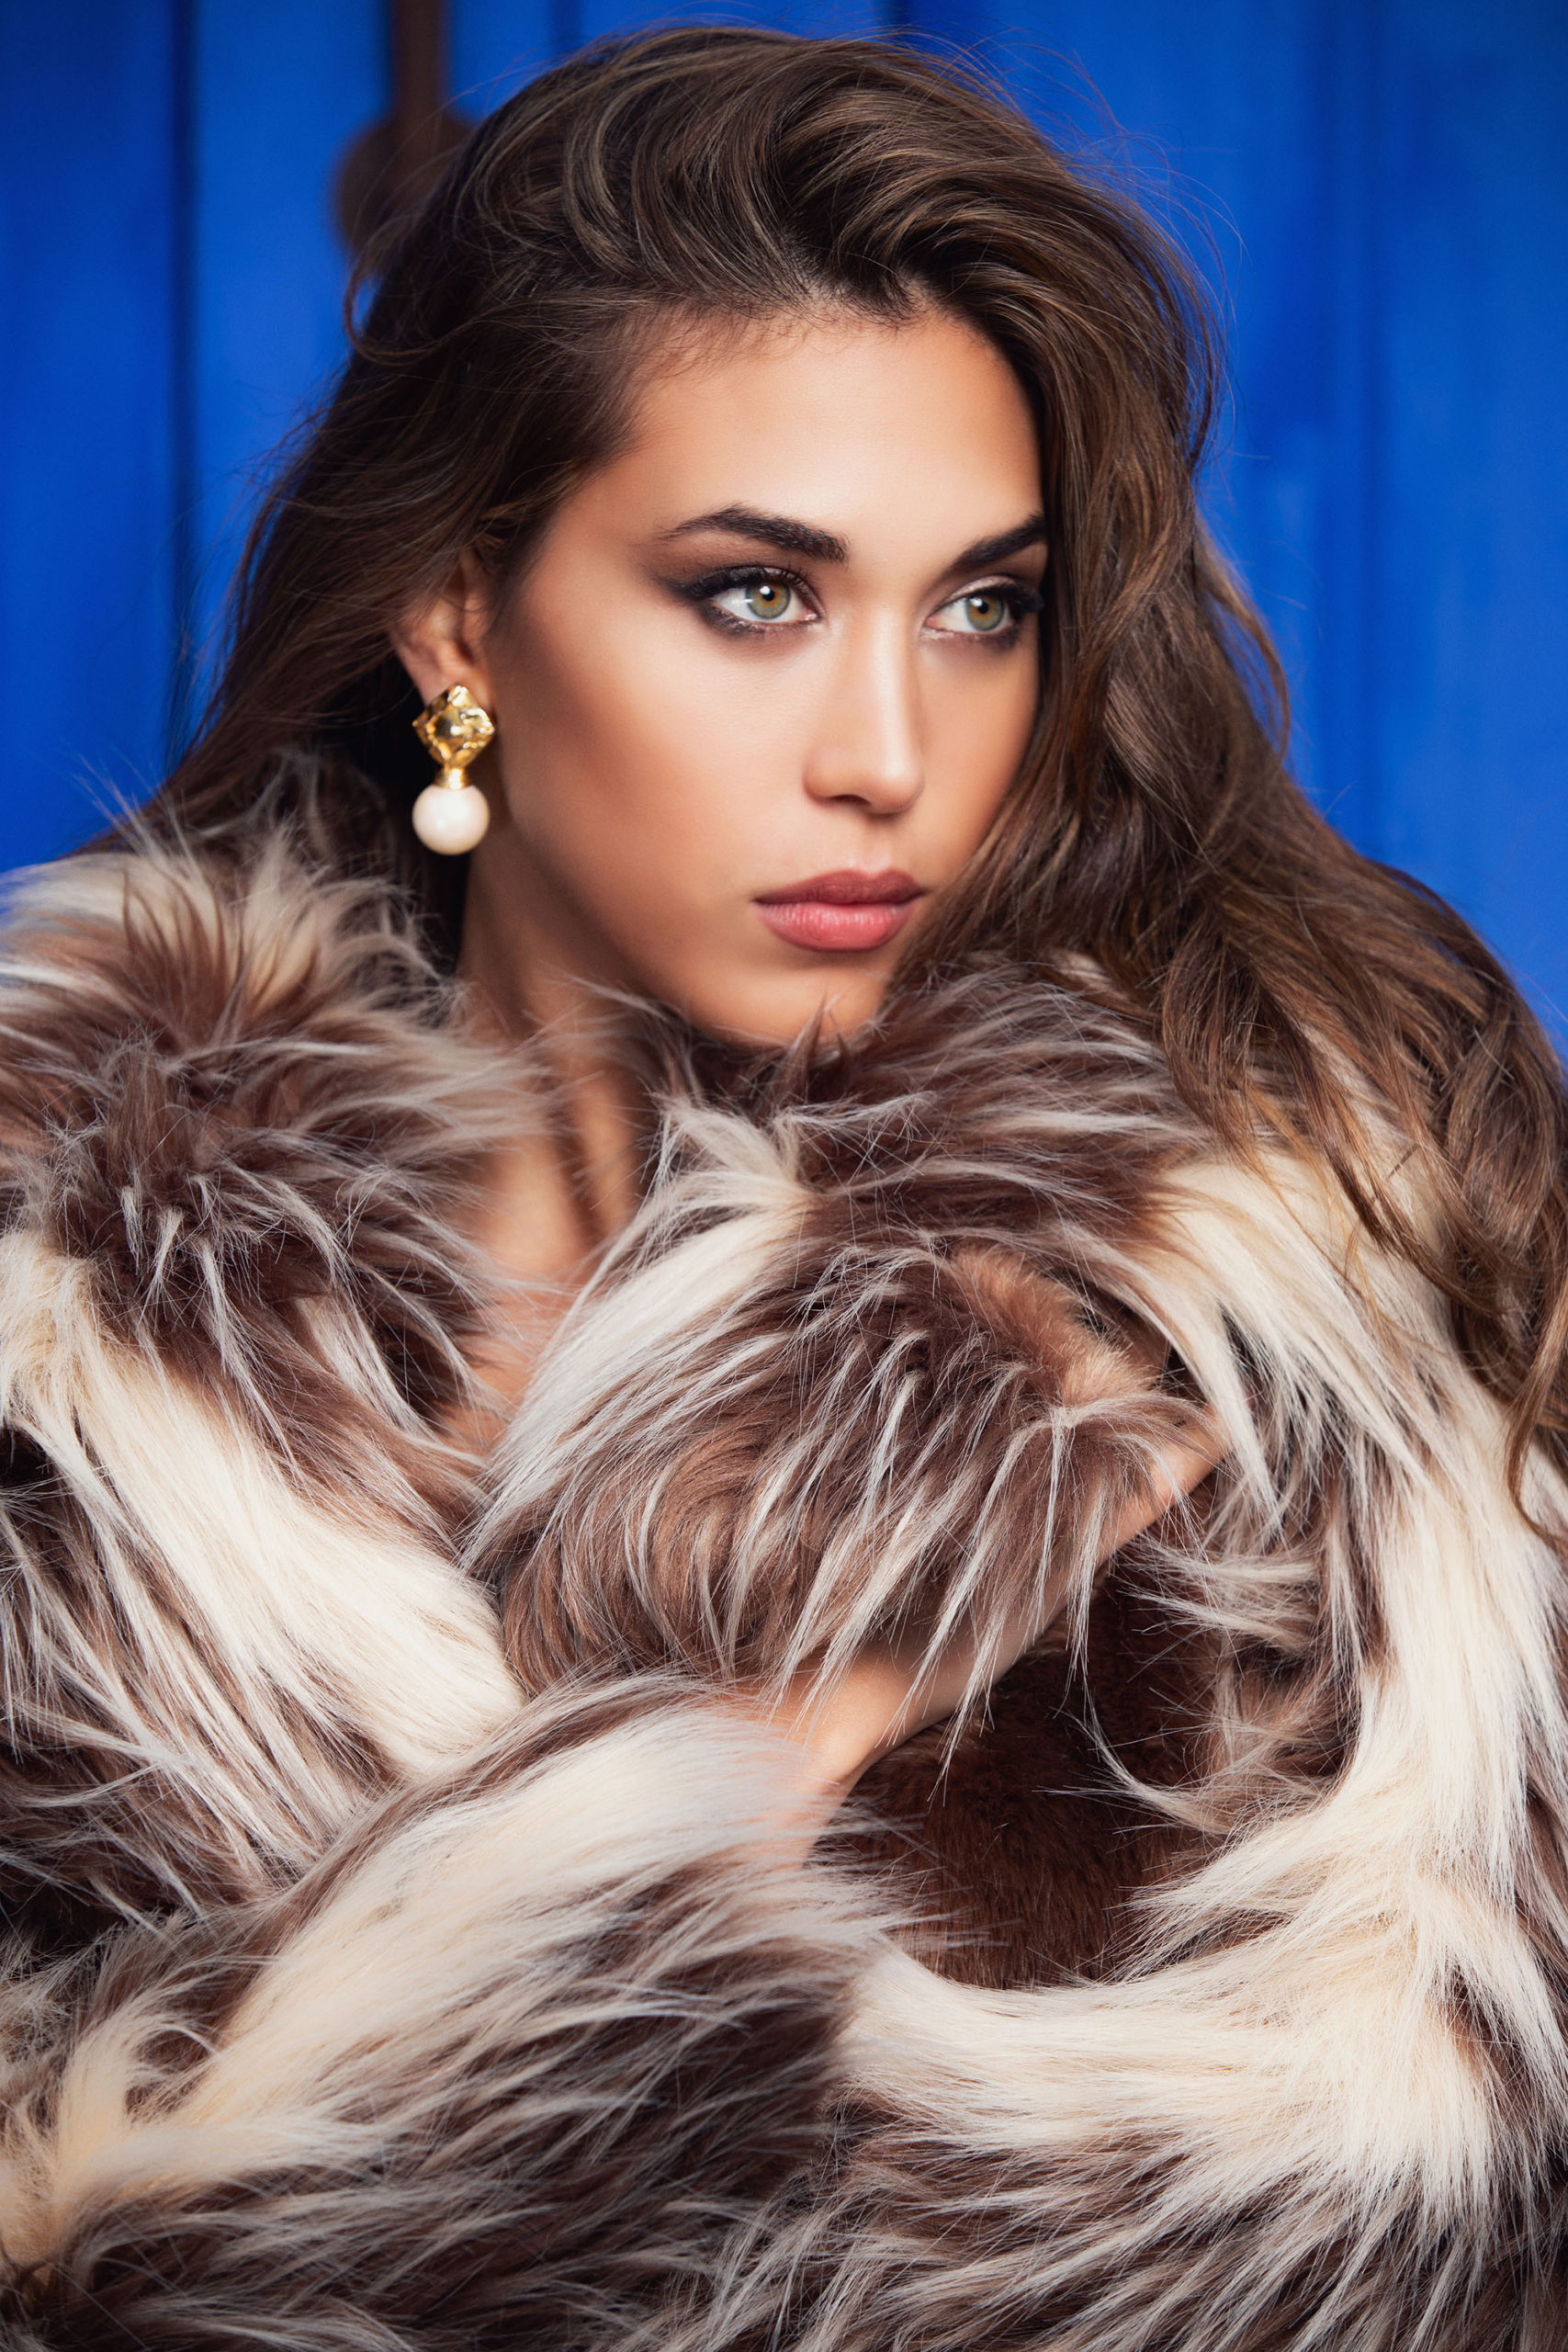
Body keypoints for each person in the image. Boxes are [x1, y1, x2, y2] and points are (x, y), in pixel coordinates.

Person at [1, 26, 1564, 2349]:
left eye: (980, 606)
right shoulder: (66, 1370)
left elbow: (1439, 2196)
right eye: (754, 592)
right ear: (457, 614)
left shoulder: (1270, 1295)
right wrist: (742, 1766)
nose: (888, 753)